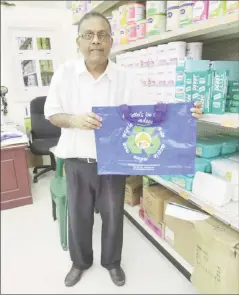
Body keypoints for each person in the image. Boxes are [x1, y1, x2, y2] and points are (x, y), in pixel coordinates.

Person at [44, 12, 202, 288]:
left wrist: (185, 111)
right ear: (78, 41)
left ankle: (112, 263)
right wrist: (74, 120)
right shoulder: (64, 73)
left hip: (113, 162)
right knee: (78, 217)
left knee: (113, 216)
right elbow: (51, 114)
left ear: (111, 41)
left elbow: (151, 113)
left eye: (102, 34)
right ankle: (80, 262)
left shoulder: (126, 77)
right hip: (76, 160)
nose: (96, 41)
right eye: (89, 35)